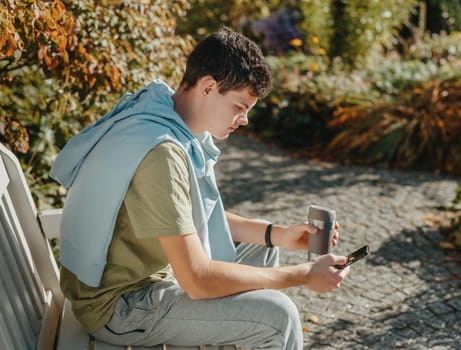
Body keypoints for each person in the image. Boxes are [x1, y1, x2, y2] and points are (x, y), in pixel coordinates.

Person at [50, 26, 350, 350]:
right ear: (208, 87)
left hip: (133, 279)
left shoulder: (160, 112)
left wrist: (278, 233)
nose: (244, 120)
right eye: (239, 107)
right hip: (122, 307)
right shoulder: (161, 153)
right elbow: (197, 279)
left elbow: (192, 214)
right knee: (279, 318)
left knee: (265, 249)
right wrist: (303, 274)